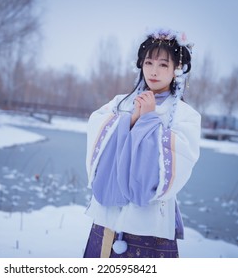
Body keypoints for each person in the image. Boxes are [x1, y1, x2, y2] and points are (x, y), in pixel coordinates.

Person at [83, 27, 201, 258]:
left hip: (149, 219)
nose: (153, 71)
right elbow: (96, 128)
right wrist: (130, 119)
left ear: (177, 69)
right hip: (107, 215)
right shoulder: (121, 103)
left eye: (163, 65)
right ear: (141, 64)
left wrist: (148, 121)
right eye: (149, 62)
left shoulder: (185, 115)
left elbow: (181, 159)